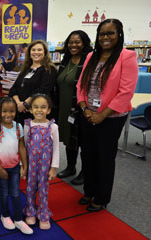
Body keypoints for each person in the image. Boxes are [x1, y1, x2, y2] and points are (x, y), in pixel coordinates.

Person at [76, 19, 138, 212]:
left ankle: (101, 197)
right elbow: (81, 86)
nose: (105, 37)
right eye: (102, 33)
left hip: (110, 118)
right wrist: (85, 108)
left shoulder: (127, 57)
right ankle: (89, 190)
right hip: (87, 115)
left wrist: (102, 115)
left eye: (110, 33)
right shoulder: (91, 57)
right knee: (87, 154)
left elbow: (126, 92)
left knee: (104, 157)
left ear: (119, 35)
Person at [0, 97, 33, 235]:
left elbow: (22, 147)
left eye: (12, 111)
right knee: (4, 192)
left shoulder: (18, 127)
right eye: (4, 111)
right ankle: (5, 215)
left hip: (15, 167)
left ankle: (18, 219)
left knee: (15, 193)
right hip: (0, 168)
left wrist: (25, 166)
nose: (8, 114)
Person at [56, 30, 93, 185]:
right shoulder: (66, 60)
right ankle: (71, 167)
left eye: (77, 42)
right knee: (69, 138)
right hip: (64, 107)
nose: (73, 45)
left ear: (84, 43)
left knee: (83, 141)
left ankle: (85, 172)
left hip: (80, 107)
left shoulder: (89, 61)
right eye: (71, 42)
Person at [23, 93, 59, 230]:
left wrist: (53, 167)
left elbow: (56, 149)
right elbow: (24, 147)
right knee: (30, 188)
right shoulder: (28, 125)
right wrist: (23, 166)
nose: (39, 110)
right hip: (31, 166)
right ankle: (30, 211)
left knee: (43, 189)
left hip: (45, 166)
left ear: (48, 110)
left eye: (43, 107)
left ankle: (43, 213)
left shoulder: (53, 127)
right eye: (36, 107)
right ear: (31, 109)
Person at [9, 40, 57, 125]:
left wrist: (25, 103)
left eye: (39, 50)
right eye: (33, 50)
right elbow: (14, 88)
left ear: (45, 52)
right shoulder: (26, 69)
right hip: (20, 111)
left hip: (37, 113)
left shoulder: (49, 69)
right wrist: (19, 104)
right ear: (29, 52)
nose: (36, 52)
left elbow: (43, 90)